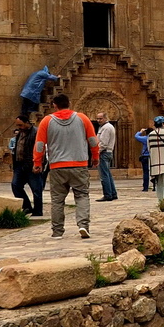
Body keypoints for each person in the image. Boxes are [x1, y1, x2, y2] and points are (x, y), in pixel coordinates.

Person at [34, 93, 99, 239]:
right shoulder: (82, 118)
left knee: (57, 199)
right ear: (69, 103)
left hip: (57, 166)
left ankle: (57, 231)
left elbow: (39, 145)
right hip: (79, 164)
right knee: (82, 195)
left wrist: (37, 162)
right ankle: (83, 225)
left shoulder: (46, 121)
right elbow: (93, 141)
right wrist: (95, 157)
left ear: (54, 105)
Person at [8, 114, 42, 216]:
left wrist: (37, 163)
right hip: (19, 164)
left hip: (31, 163)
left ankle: (38, 211)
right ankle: (26, 207)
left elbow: (40, 149)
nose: (19, 127)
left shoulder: (35, 132)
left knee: (36, 189)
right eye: (18, 125)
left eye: (21, 125)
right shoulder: (20, 133)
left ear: (27, 123)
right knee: (16, 185)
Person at [94, 112, 118, 202]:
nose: (98, 120)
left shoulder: (106, 128)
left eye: (100, 119)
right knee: (107, 174)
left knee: (104, 175)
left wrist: (96, 153)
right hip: (107, 152)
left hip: (104, 153)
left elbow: (103, 143)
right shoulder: (105, 127)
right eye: (97, 119)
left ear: (105, 118)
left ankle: (107, 194)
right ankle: (113, 193)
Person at [135, 127, 151, 191]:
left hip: (145, 156)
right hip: (152, 156)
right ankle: (155, 186)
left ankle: (145, 187)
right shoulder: (154, 138)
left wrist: (141, 131)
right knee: (154, 172)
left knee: (146, 172)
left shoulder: (145, 138)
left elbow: (136, 136)